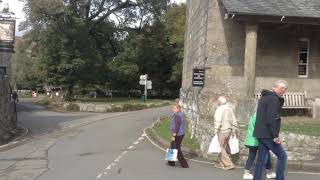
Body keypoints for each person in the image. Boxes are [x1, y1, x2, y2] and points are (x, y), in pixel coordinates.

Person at [253, 80, 288, 180]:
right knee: (282, 156)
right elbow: (272, 118)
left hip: (261, 133)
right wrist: (275, 135)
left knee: (261, 160)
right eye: (284, 91)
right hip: (268, 134)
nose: (283, 93)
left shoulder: (265, 97)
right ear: (281, 88)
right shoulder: (273, 99)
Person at [243, 112, 276, 179]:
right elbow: (260, 127)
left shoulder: (257, 113)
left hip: (252, 139)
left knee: (252, 155)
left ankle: (247, 172)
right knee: (264, 154)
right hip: (256, 139)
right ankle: (268, 172)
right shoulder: (260, 114)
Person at [214, 96, 238, 170]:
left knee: (221, 147)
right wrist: (234, 129)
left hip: (222, 130)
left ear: (220, 102)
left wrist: (216, 131)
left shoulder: (219, 109)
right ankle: (220, 163)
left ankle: (229, 164)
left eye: (218, 101)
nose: (217, 102)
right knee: (223, 147)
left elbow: (217, 121)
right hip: (229, 130)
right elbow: (234, 120)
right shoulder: (229, 108)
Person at [167, 103, 189, 168]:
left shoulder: (177, 115)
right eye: (173, 108)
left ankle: (184, 164)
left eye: (175, 108)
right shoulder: (180, 114)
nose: (173, 109)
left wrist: (174, 135)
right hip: (180, 133)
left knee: (177, 148)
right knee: (172, 146)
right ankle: (171, 162)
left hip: (178, 134)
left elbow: (177, 126)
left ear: (178, 109)